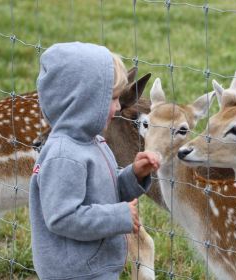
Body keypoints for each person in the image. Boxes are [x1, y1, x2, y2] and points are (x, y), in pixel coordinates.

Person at [29, 42, 160, 280]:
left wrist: (134, 175)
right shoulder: (64, 155)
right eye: (112, 98)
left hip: (94, 266)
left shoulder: (93, 143)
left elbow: (104, 191)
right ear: (84, 100)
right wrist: (118, 217)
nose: (119, 106)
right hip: (75, 273)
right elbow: (63, 217)